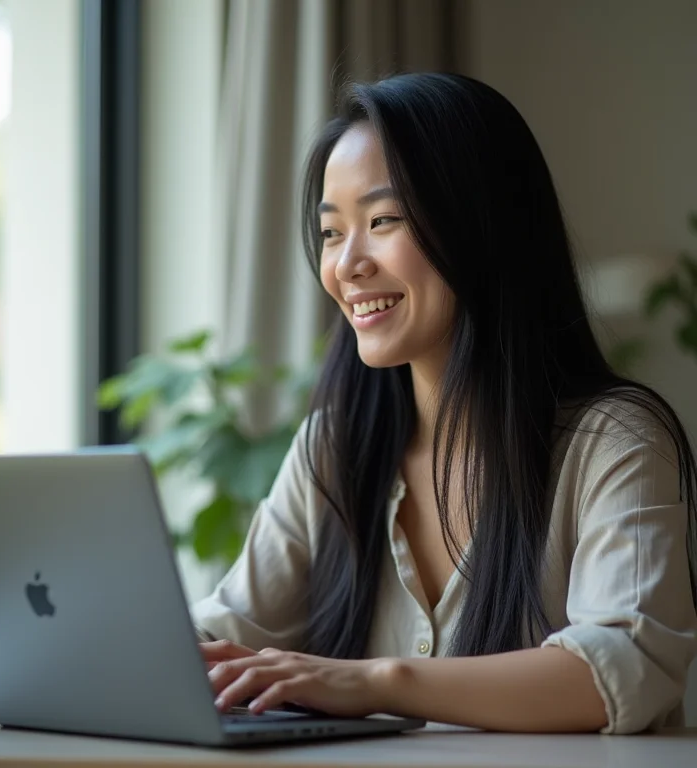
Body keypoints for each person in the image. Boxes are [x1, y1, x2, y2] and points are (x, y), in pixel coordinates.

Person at [191, 72, 697, 734]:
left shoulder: (616, 442)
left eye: (382, 220)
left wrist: (378, 680)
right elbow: (226, 631)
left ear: (483, 224)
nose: (347, 265)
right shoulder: (334, 446)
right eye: (332, 232)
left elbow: (622, 668)